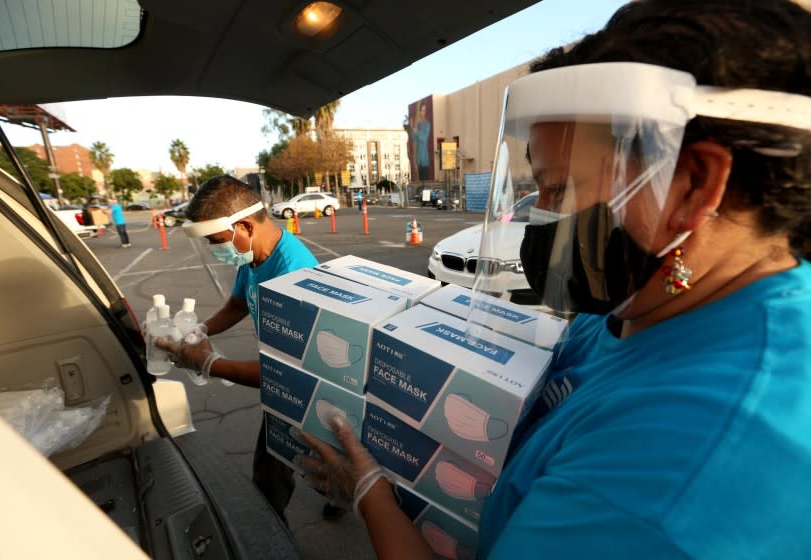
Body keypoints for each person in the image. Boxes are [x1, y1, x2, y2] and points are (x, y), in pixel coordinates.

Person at [291, 1, 811, 558]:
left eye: (558, 188)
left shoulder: (673, 476)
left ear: (692, 183)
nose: (542, 215)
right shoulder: (644, 309)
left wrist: (371, 492)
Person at [153, 175, 347, 523]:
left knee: (279, 471)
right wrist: (198, 330)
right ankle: (333, 493)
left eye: (215, 241)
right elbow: (238, 304)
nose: (215, 250)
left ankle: (279, 532)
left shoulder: (294, 274)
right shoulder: (254, 259)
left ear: (244, 226)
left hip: (305, 389)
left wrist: (209, 363)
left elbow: (284, 374)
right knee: (285, 462)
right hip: (284, 387)